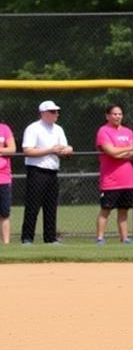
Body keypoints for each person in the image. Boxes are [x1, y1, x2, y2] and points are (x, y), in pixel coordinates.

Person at [20, 100, 73, 245]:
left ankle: (50, 238)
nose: (56, 114)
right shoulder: (33, 128)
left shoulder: (58, 129)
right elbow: (28, 150)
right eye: (52, 111)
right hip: (37, 171)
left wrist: (68, 150)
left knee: (51, 206)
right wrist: (50, 150)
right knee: (33, 206)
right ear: (43, 113)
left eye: (57, 111)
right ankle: (27, 238)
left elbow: (63, 148)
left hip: (52, 170)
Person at [95, 103, 133, 245]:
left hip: (128, 179)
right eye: (114, 114)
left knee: (124, 211)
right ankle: (100, 238)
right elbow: (111, 152)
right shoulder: (103, 131)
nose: (117, 116)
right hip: (110, 179)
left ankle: (125, 238)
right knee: (106, 210)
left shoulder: (128, 132)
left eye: (120, 114)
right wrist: (130, 149)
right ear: (107, 116)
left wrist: (125, 151)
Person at [0, 115, 14, 244]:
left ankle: (6, 244)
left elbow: (12, 149)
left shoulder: (4, 129)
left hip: (3, 178)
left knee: (4, 213)